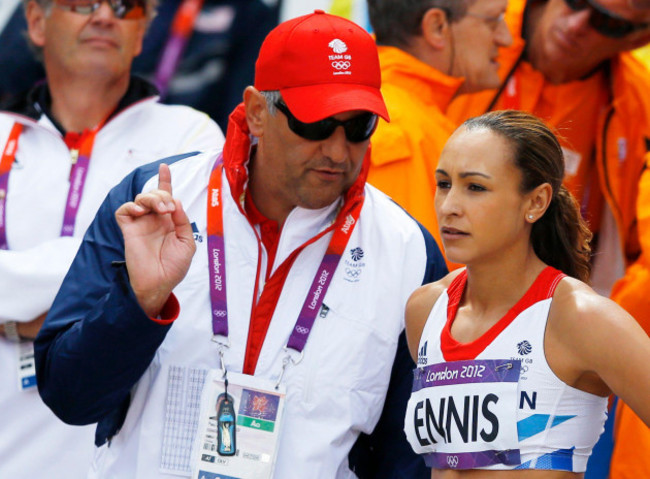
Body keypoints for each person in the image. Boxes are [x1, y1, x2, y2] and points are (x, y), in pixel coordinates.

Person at [34, 10, 448, 479]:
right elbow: (69, 396)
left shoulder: (409, 250)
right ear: (256, 112)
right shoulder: (154, 198)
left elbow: (407, 456)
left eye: (359, 128)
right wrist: (139, 304)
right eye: (315, 124)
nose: (337, 150)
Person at [0, 0, 224, 477]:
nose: (104, 16)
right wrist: (107, 287)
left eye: (126, 6)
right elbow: (135, 272)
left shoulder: (192, 134)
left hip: (123, 450)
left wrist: (13, 310)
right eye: (83, 3)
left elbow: (196, 271)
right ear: (36, 22)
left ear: (143, 32)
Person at [446, 0, 650, 474]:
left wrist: (598, 327)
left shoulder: (637, 99)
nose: (577, 25)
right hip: (454, 315)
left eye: (605, 22)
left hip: (561, 343)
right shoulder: (474, 28)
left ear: (636, 37)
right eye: (578, 2)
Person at [403, 110, 650, 476]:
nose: (449, 206)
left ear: (536, 202)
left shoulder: (581, 318)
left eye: (475, 187)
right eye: (444, 183)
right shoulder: (425, 310)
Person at [365, 0, 512, 269]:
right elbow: (413, 282)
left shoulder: (401, 114)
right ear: (437, 26)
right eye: (493, 20)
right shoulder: (399, 129)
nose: (506, 38)